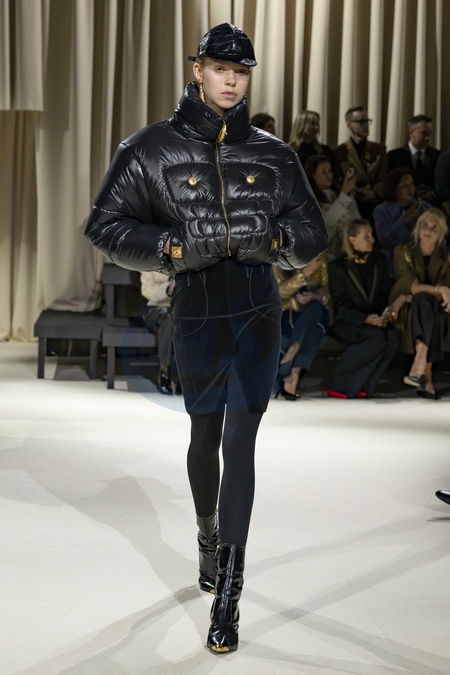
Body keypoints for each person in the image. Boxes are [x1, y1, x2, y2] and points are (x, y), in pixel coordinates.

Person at [84, 23, 327, 653]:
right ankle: (207, 533)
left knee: (242, 443)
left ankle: (229, 594)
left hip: (257, 310)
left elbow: (312, 232)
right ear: (198, 70)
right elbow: (104, 225)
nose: (231, 81)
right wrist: (170, 246)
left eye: (241, 72)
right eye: (220, 69)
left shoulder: (275, 154)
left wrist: (278, 240)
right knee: (204, 435)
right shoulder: (150, 148)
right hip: (196, 311)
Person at [322, 219, 407, 398]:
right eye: (366, 236)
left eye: (372, 235)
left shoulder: (379, 261)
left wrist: (383, 316)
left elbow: (384, 293)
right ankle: (336, 383)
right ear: (352, 239)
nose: (372, 240)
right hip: (349, 322)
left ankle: (366, 385)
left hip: (376, 319)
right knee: (376, 338)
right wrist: (365, 319)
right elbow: (341, 306)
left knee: (392, 337)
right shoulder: (338, 267)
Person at [389, 208, 450, 399]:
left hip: (436, 309)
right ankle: (426, 373)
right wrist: (438, 289)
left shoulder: (448, 255)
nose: (428, 231)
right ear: (417, 227)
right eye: (425, 225)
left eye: (434, 227)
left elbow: (444, 294)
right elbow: (412, 287)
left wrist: (436, 292)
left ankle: (420, 363)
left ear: (442, 232)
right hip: (408, 311)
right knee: (424, 301)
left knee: (429, 305)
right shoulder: (403, 251)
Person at [273, 254, 330, 399]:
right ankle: (294, 374)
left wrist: (314, 297)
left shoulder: (318, 257)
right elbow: (279, 292)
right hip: (288, 312)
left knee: (315, 309)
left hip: (313, 311)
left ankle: (294, 348)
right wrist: (304, 273)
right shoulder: (278, 255)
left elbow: (326, 292)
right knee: (316, 331)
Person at [333, 106, 388, 222]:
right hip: (352, 200)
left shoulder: (379, 150)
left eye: (367, 121)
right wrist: (352, 192)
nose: (366, 125)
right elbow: (337, 180)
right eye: (361, 121)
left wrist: (374, 193)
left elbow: (383, 177)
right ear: (350, 125)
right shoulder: (339, 152)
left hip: (375, 201)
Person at [305, 154, 361, 259]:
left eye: (330, 171)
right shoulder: (308, 200)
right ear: (313, 175)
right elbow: (326, 221)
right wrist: (344, 194)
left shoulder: (338, 193)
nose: (329, 176)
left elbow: (355, 217)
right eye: (324, 173)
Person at [373, 168, 430, 263]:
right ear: (394, 188)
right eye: (404, 185)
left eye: (412, 184)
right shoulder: (381, 211)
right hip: (397, 259)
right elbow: (385, 242)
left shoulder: (421, 205)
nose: (410, 188)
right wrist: (404, 220)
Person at [388, 114, 441, 204]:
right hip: (404, 205)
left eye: (429, 133)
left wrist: (433, 194)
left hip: (432, 205)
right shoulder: (395, 156)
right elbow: (391, 186)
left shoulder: (438, 156)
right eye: (424, 133)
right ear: (411, 132)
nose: (428, 138)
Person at [139, 270, 178, 394]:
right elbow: (148, 290)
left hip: (180, 308)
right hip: (157, 309)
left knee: (184, 320)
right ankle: (164, 372)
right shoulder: (150, 263)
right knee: (168, 319)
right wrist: (168, 288)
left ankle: (185, 375)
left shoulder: (184, 261)